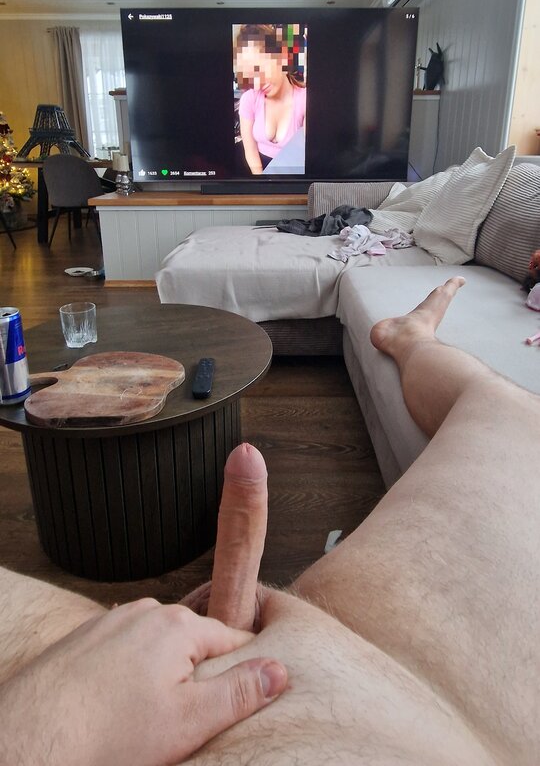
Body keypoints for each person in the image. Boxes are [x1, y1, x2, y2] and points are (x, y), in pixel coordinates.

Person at [1, 276, 540, 764]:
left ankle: (411, 337)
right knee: (505, 405)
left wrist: (31, 733)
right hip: (361, 676)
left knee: (505, 408)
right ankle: (415, 339)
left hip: (88, 703)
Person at [234, 24, 306, 174]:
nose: (256, 84)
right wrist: (261, 183)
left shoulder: (305, 101)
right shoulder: (250, 99)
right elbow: (251, 152)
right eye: (250, 77)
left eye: (258, 69)